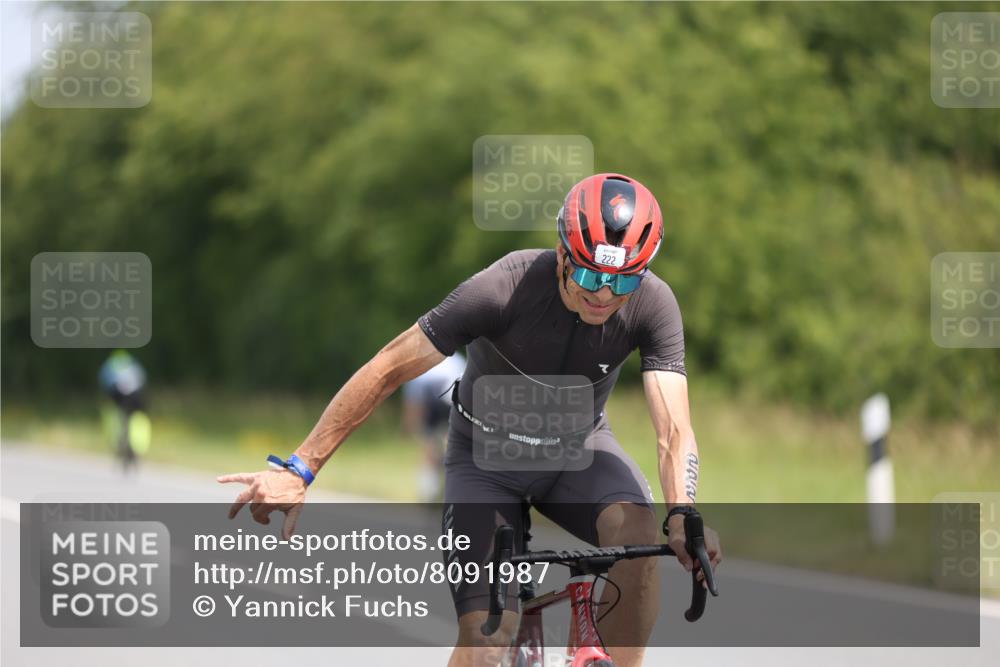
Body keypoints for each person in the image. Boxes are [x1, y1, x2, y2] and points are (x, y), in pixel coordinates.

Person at [219, 173, 722, 667]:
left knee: (636, 536)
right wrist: (301, 468)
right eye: (591, 275)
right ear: (562, 252)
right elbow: (387, 368)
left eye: (623, 280)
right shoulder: (503, 288)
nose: (605, 296)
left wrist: (684, 514)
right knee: (487, 637)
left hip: (578, 452)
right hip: (486, 461)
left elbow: (674, 429)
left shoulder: (654, 304)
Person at [402, 352, 466, 501]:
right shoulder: (458, 360)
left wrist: (409, 427)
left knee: (429, 443)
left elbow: (414, 402)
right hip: (454, 399)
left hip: (434, 399)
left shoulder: (419, 359)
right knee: (451, 443)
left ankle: (428, 491)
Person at [98, 349, 150, 473]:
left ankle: (121, 443)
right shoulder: (133, 364)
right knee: (136, 418)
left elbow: (104, 382)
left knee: (119, 419)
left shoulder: (110, 365)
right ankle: (133, 447)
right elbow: (142, 379)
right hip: (136, 396)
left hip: (118, 397)